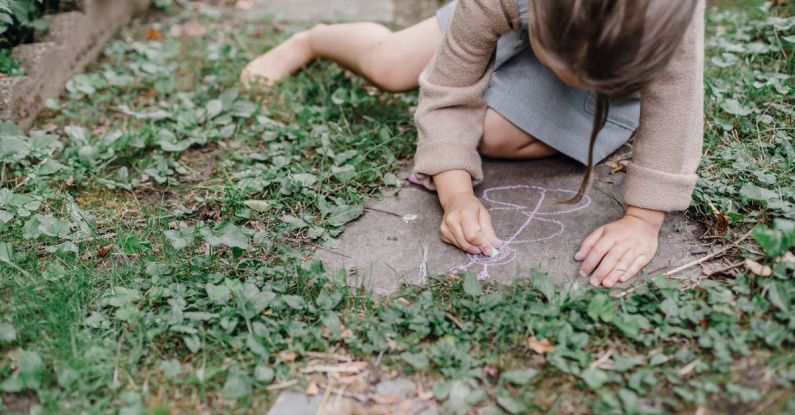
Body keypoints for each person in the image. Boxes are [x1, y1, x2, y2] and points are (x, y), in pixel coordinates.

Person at [240, 0, 705, 288]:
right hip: (520, 18)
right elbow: (447, 91)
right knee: (390, 65)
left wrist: (643, 219)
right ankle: (312, 39)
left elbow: (676, 104)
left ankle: (544, 81)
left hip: (614, 75)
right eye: (564, 68)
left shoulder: (667, 17)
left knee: (493, 135)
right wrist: (456, 194)